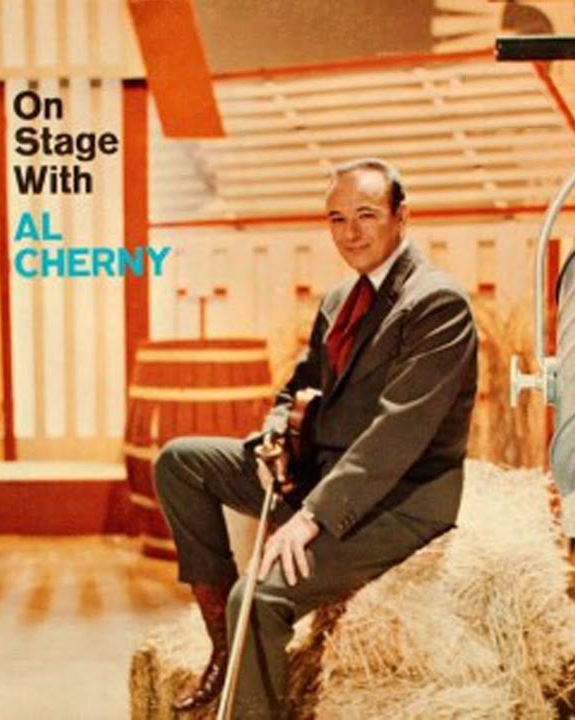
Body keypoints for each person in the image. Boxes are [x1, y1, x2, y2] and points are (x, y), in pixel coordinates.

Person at [154, 158, 478, 717]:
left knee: (257, 596)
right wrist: (274, 436)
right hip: (319, 472)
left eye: (366, 215)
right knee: (180, 461)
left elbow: (396, 433)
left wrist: (312, 516)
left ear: (402, 216)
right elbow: (299, 386)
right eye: (337, 219)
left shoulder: (436, 304)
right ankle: (225, 648)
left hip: (396, 500)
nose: (350, 233)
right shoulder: (339, 300)